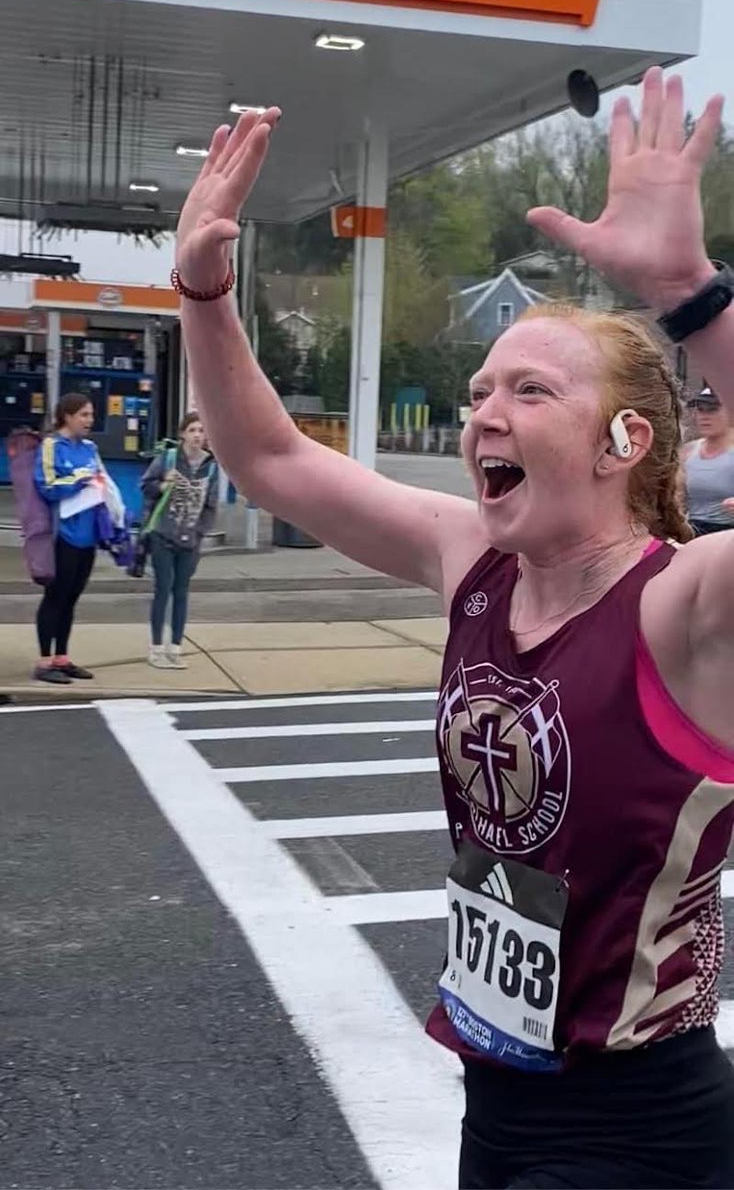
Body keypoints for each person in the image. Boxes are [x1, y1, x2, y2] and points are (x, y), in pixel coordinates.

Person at [173, 69, 734, 1188]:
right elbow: (272, 459)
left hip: (638, 1124)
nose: (483, 411)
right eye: (479, 389)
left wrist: (687, 291)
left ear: (624, 442)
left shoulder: (683, 607)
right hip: (494, 1090)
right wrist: (203, 291)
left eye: (527, 391)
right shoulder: (471, 562)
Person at [140, 411, 218, 669]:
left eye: (202, 431)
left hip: (190, 539)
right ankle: (156, 648)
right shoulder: (169, 458)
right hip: (164, 533)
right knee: (163, 587)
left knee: (182, 591)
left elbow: (210, 506)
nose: (198, 436)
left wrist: (198, 533)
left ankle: (176, 647)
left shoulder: (211, 466)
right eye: (193, 430)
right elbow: (146, 485)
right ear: (183, 434)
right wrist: (162, 485)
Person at [33, 392, 101, 685]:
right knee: (55, 596)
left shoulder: (90, 447)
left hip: (88, 536)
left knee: (71, 598)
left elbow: (101, 479)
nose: (90, 420)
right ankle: (44, 661)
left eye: (91, 415)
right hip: (63, 534)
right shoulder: (51, 446)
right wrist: (79, 479)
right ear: (68, 416)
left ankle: (62, 657)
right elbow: (46, 486)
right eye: (84, 415)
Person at [681, 385, 734, 534]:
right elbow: (676, 499)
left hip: (728, 534)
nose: (704, 416)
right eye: (700, 409)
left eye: (712, 409)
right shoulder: (688, 451)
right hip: (694, 531)